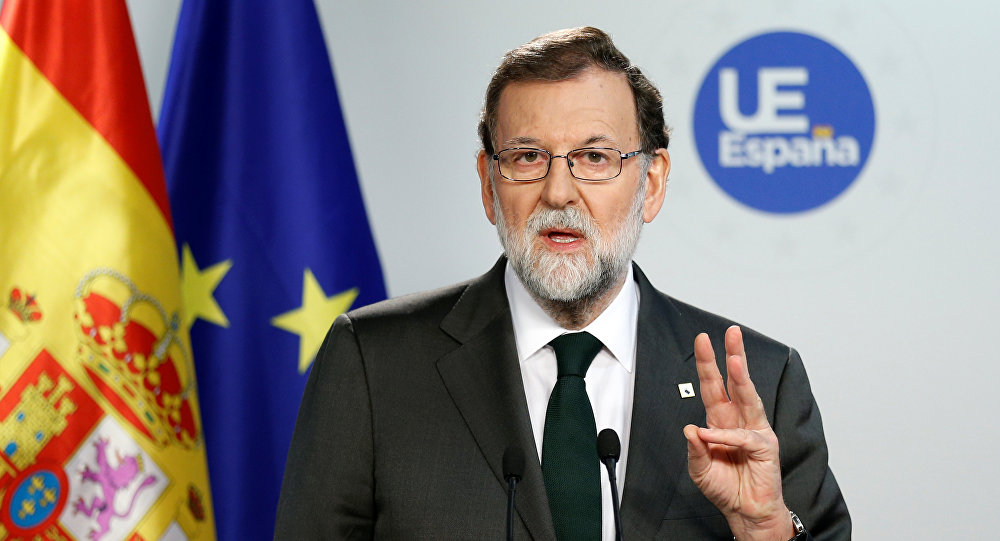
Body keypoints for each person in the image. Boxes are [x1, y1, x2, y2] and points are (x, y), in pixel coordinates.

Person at [274, 27, 850, 540]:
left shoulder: (761, 381)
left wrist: (767, 532)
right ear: (488, 184)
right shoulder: (373, 364)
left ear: (651, 183)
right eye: (527, 157)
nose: (558, 192)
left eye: (594, 157)